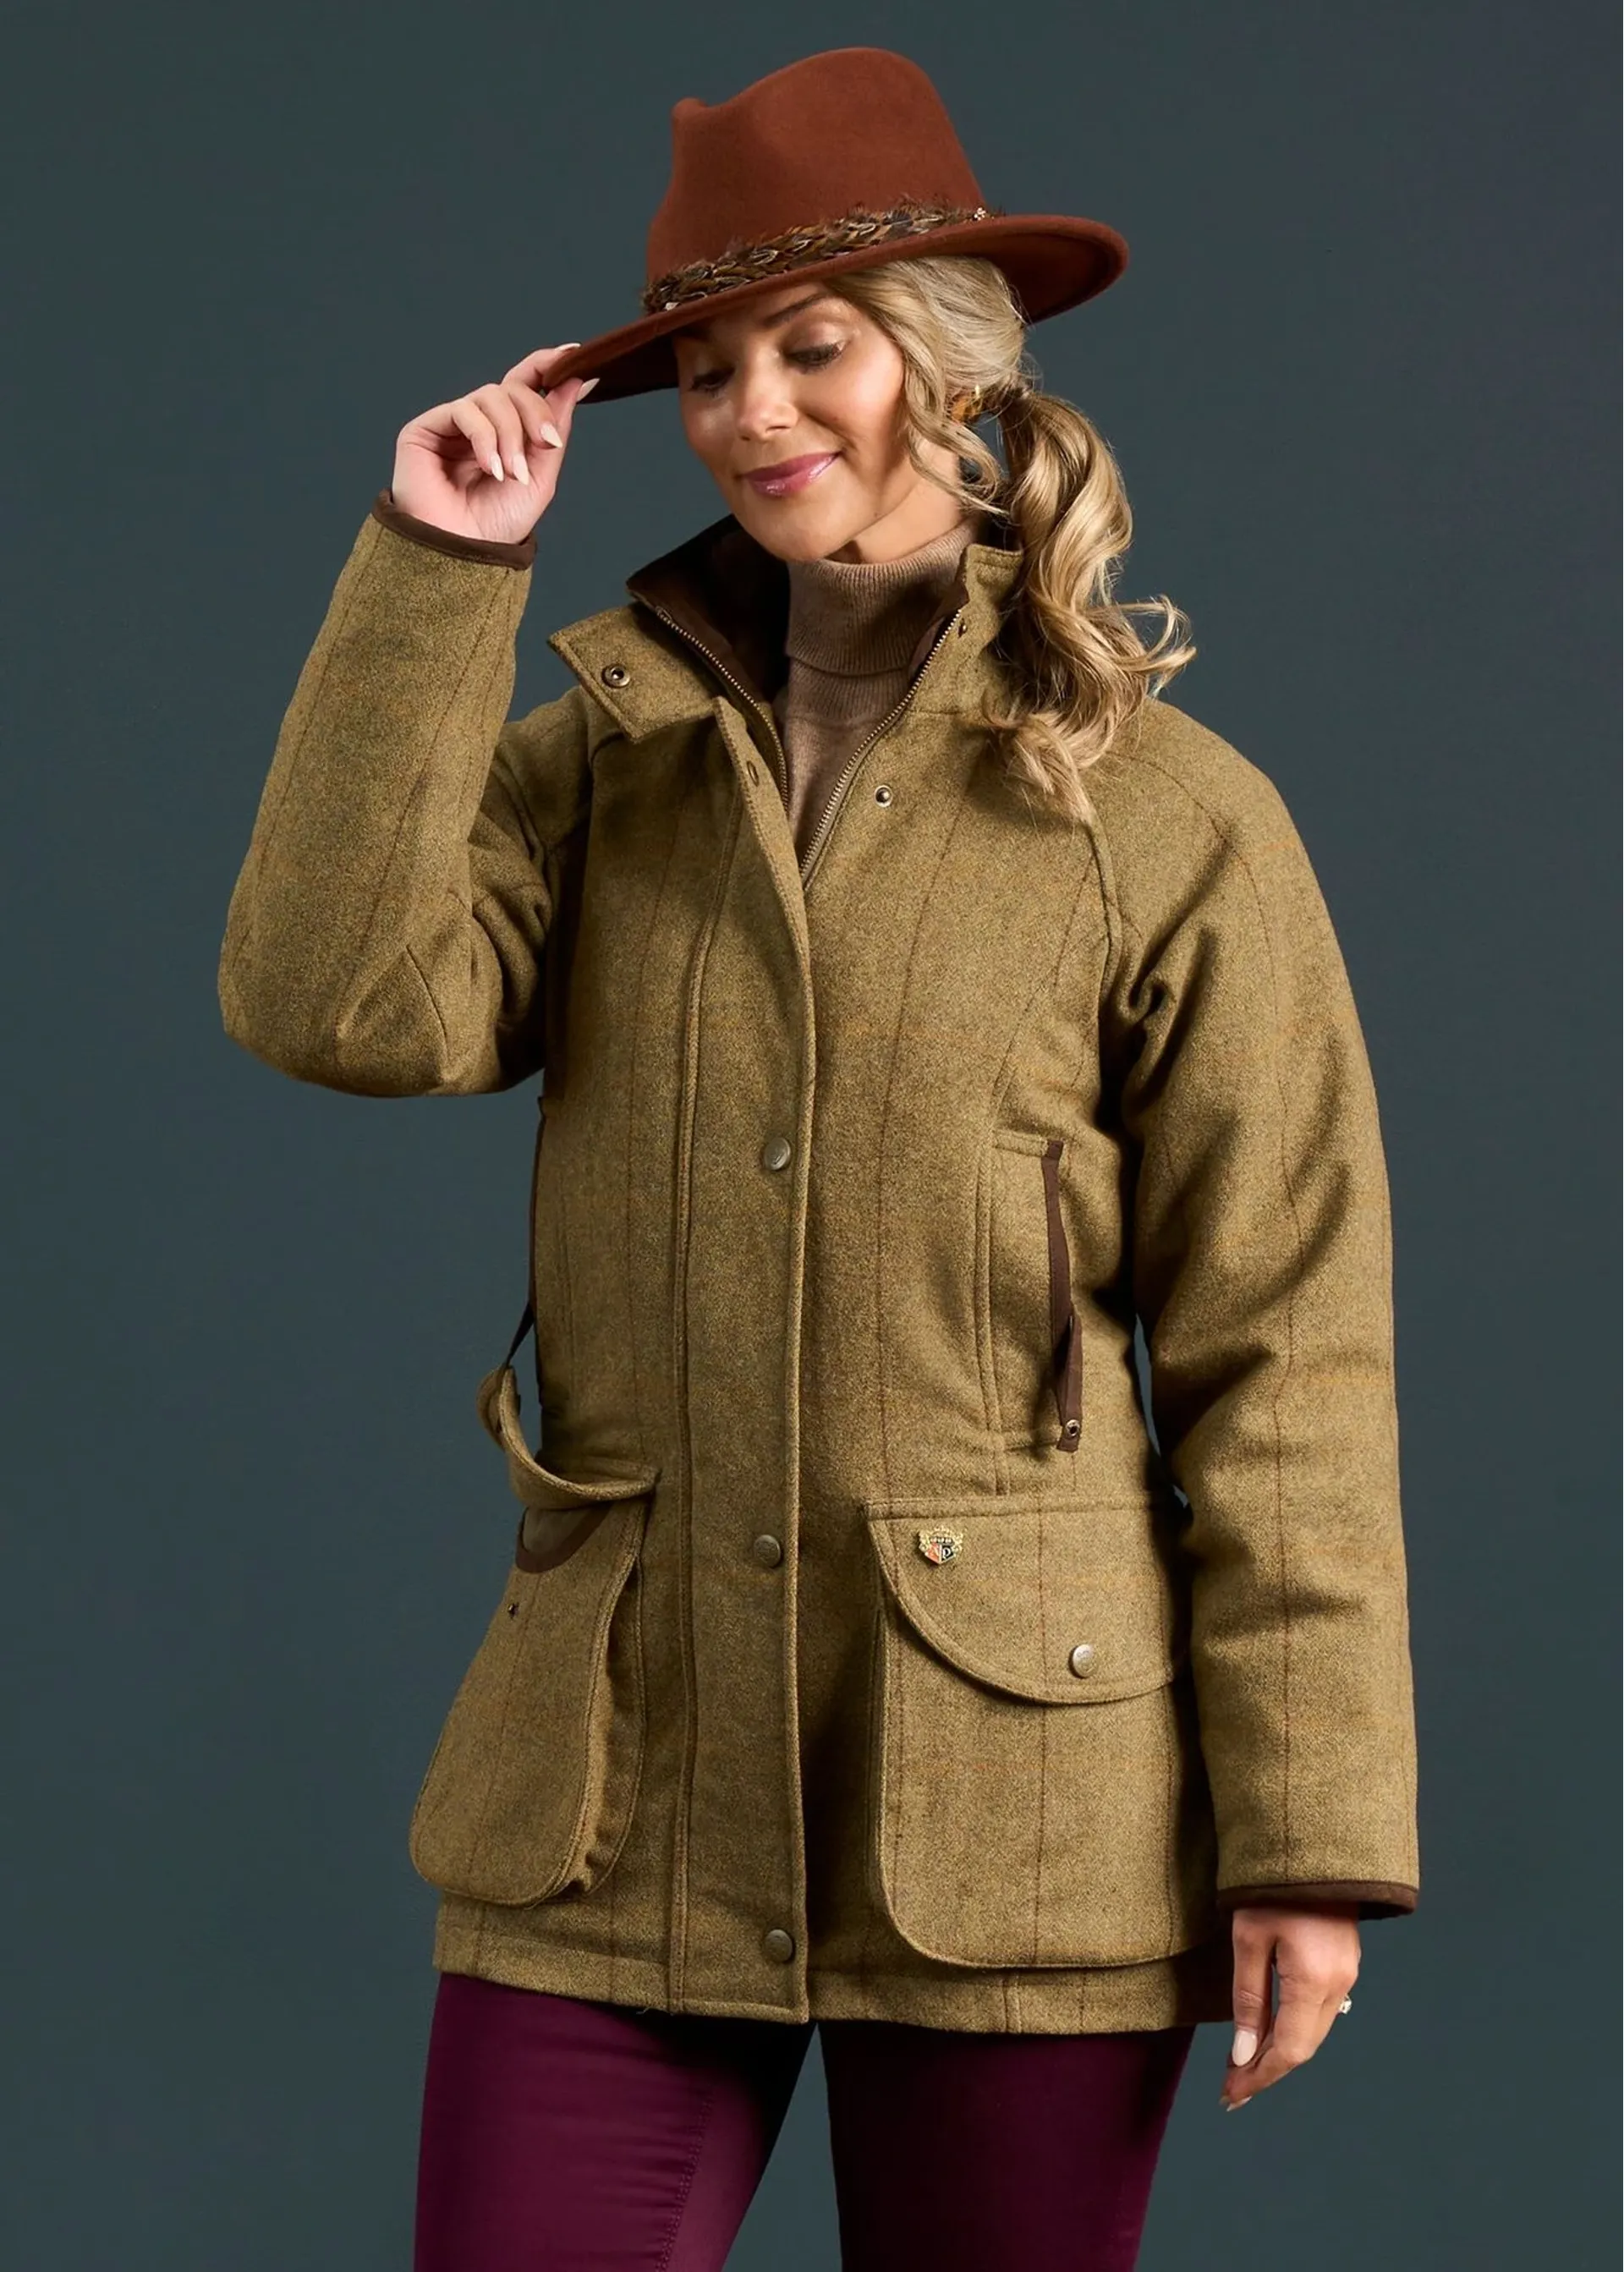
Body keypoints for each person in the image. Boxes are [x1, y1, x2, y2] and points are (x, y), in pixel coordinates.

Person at [217, 45, 1419, 2272]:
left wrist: (1309, 1832)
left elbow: (1289, 1352)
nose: (752, 412)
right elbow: (333, 1000)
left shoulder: (1168, 818)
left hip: (1026, 1807)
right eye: (708, 371)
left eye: (815, 349)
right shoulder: (609, 767)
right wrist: (435, 575)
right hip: (617, 1783)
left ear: (946, 374)